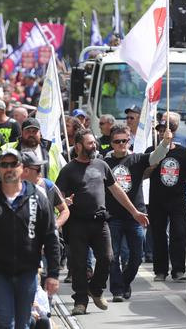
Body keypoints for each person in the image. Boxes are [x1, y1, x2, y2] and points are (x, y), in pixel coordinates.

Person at [55, 129, 148, 315]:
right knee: (79, 264)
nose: (94, 146)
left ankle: (96, 289)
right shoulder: (68, 170)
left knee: (107, 258)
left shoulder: (101, 165)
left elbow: (117, 191)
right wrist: (63, 204)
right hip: (77, 224)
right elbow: (58, 196)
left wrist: (135, 212)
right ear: (79, 146)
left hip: (100, 222)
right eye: (90, 143)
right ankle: (80, 301)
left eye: (94, 142)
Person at [0, 149, 61, 329]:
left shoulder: (39, 199)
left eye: (13, 164)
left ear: (23, 169)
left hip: (28, 272)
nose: (9, 169)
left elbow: (50, 238)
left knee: (23, 323)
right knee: (4, 322)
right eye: (4, 165)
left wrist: (53, 274)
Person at [104, 125, 171, 302]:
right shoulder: (105, 163)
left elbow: (156, 157)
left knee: (136, 257)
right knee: (113, 256)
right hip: (113, 217)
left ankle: (124, 282)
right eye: (117, 141)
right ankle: (117, 290)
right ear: (111, 143)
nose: (121, 144)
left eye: (124, 141)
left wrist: (165, 142)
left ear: (129, 141)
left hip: (136, 216)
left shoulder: (137, 159)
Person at [147, 126, 186, 282]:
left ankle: (178, 269)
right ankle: (160, 270)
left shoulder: (183, 152)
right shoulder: (151, 151)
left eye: (166, 130)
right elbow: (144, 173)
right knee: (158, 235)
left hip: (177, 200)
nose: (163, 133)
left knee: (179, 234)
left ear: (173, 133)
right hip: (157, 201)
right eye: (160, 130)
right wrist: (155, 159)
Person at [0, 118, 64, 188]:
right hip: (15, 199)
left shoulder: (51, 149)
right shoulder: (8, 149)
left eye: (34, 131)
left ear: (40, 133)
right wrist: (1, 193)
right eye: (28, 131)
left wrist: (59, 195)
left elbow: (65, 173)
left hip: (46, 199)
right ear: (22, 132)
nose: (31, 134)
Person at [20, 151, 70, 229]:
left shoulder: (48, 185)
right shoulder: (10, 190)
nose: (40, 172)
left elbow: (64, 210)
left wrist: (54, 226)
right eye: (38, 169)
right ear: (25, 170)